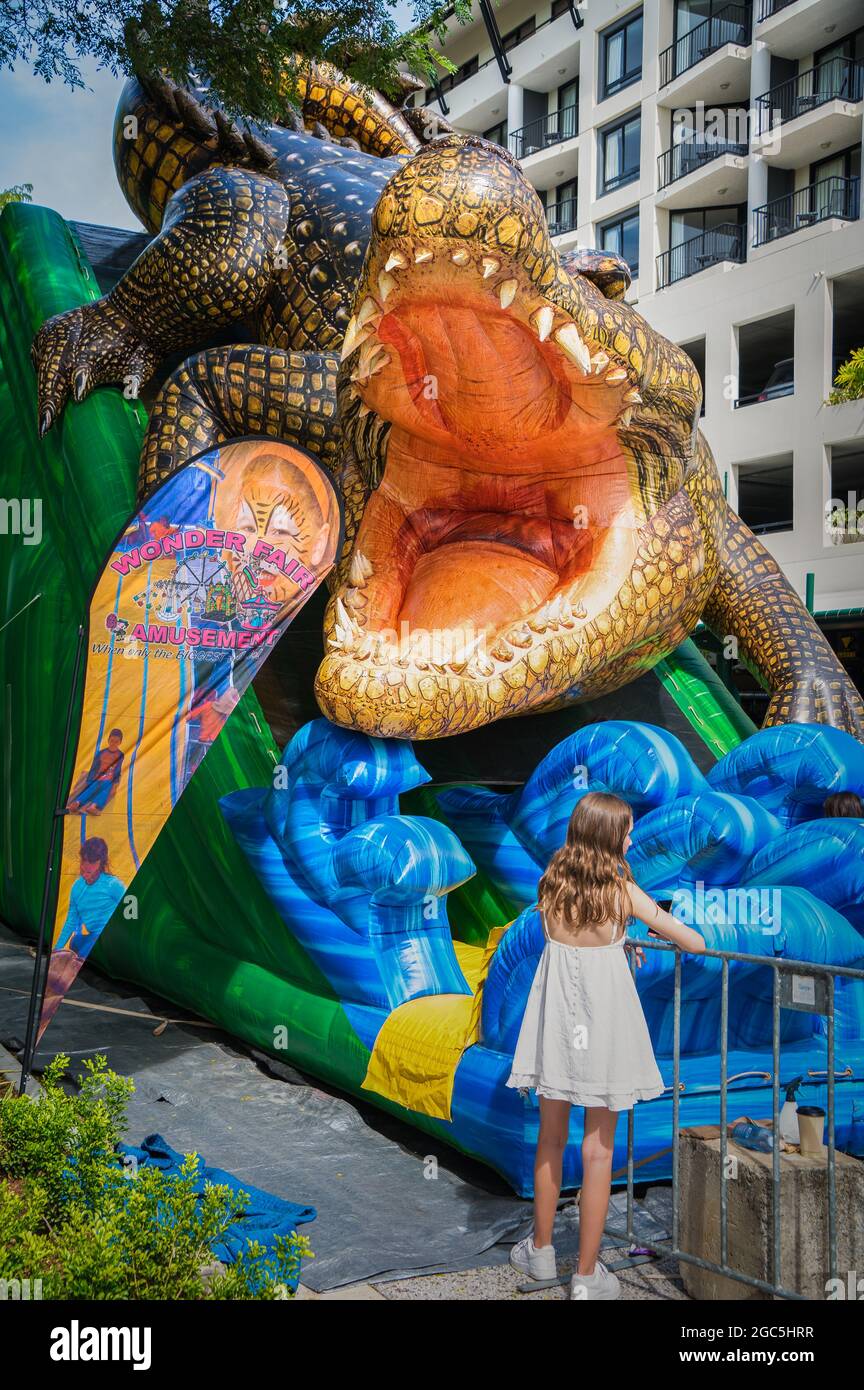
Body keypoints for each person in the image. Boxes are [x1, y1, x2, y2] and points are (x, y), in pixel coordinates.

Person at [505, 791, 706, 1301]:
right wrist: (632, 934)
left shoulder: (550, 885)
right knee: (599, 1151)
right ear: (609, 837)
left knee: (550, 1139)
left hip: (558, 1027)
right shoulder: (624, 894)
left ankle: (542, 1252)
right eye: (627, 831)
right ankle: (587, 1276)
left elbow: (574, 940)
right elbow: (693, 942)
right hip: (603, 1027)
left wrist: (621, 939)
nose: (633, 838)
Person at [55, 837, 126, 960]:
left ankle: (80, 961)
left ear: (101, 863)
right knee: (75, 942)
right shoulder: (77, 887)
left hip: (111, 936)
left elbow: (133, 905)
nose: (86, 866)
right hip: (93, 936)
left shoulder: (112, 884)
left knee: (89, 946)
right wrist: (56, 951)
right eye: (84, 861)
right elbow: (70, 922)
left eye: (92, 862)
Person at [67, 729, 125, 814]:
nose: (114, 743)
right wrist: (89, 780)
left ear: (120, 742)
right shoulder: (101, 753)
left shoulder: (120, 755)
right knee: (91, 788)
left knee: (106, 789)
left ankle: (93, 806)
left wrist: (115, 783)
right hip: (98, 777)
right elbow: (94, 767)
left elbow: (118, 769)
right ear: (108, 740)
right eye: (112, 741)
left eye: (116, 741)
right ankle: (77, 803)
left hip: (109, 779)